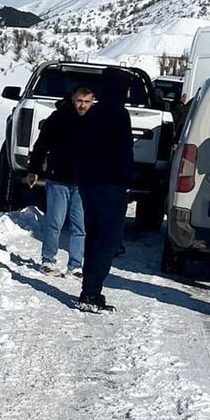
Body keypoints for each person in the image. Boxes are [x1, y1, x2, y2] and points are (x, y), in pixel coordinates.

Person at [75, 69, 136, 313]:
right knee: (107, 241)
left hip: (88, 184)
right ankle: (91, 293)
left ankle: (89, 289)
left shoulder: (93, 112)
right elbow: (124, 153)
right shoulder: (119, 115)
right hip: (111, 186)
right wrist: (129, 178)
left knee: (94, 238)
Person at [24, 87, 93, 277]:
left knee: (80, 226)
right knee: (55, 222)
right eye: (79, 100)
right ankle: (48, 260)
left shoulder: (96, 120)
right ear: (73, 99)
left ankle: (76, 265)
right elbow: (41, 145)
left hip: (83, 182)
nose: (82, 105)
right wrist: (34, 170)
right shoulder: (58, 118)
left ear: (92, 101)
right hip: (58, 179)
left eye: (87, 102)